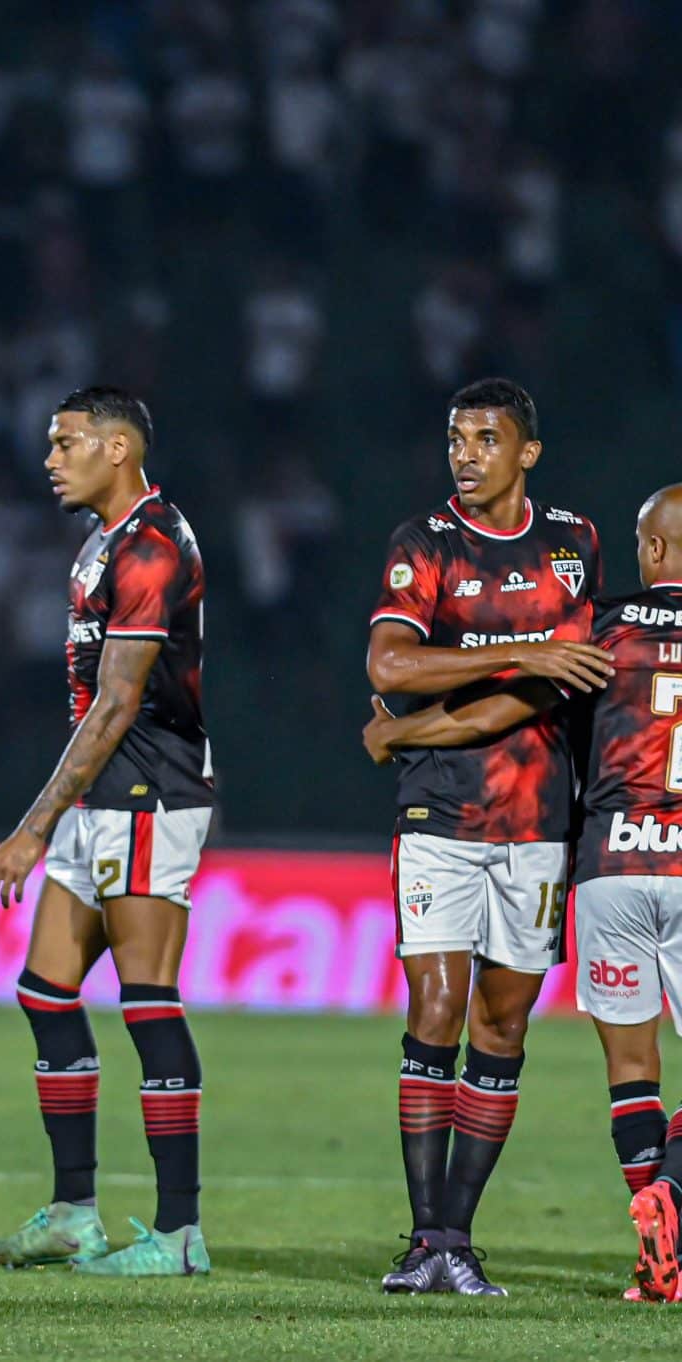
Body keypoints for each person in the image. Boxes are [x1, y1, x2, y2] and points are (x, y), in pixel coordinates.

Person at [363, 485, 682, 1302]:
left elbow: (499, 711)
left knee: (633, 1073)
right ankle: (671, 1203)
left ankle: (661, 1249)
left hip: (609, 869)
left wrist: (395, 730)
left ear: (650, 553)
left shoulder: (604, 629)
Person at [360, 378, 607, 1297]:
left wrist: (419, 722)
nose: (465, 453)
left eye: (485, 438)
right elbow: (389, 661)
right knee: (434, 1012)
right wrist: (526, 649)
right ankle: (425, 1240)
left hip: (539, 818)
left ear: (526, 453)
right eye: (456, 437)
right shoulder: (424, 544)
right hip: (440, 816)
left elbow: (562, 684)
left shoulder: (571, 545)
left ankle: (460, 1239)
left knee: (503, 1023)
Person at [0, 386, 215, 1279]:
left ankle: (180, 1233)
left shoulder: (153, 544)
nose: (50, 457)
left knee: (149, 1001)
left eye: (65, 441)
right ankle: (76, 1213)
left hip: (150, 790)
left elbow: (119, 700)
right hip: (101, 798)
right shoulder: (102, 543)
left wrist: (31, 828)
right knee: (47, 991)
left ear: (118, 448)